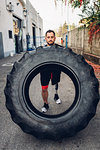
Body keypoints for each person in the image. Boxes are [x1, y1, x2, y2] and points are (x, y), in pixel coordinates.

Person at [38, 30, 62, 113]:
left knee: (56, 83)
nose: (50, 39)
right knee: (44, 89)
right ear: (45, 39)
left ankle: (56, 95)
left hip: (55, 70)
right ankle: (45, 104)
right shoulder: (42, 50)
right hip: (45, 71)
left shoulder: (60, 49)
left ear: (55, 38)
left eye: (52, 37)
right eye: (48, 37)